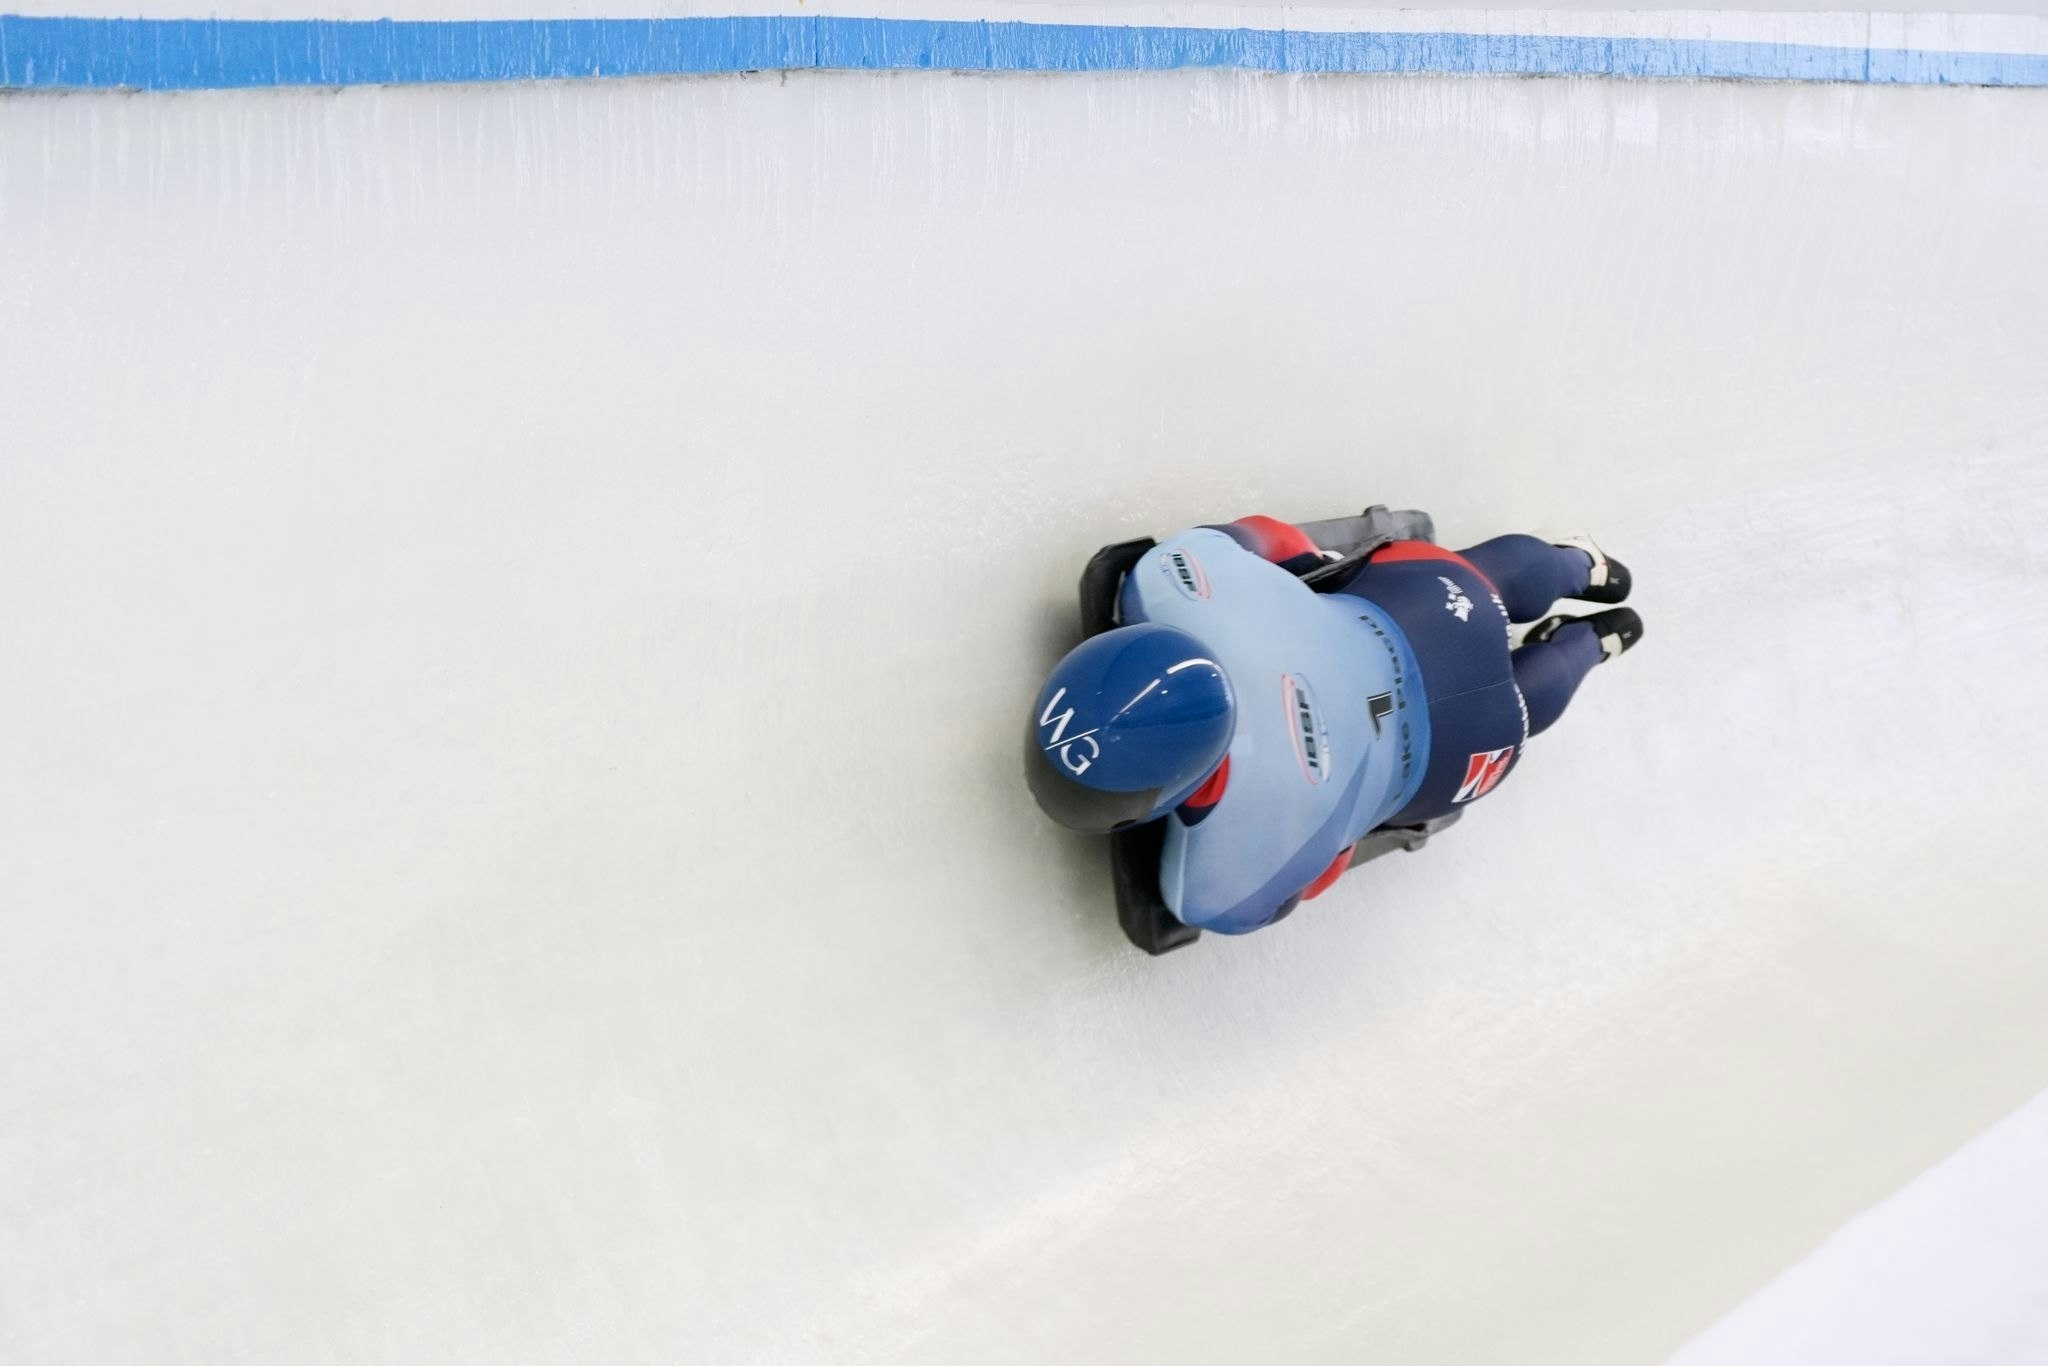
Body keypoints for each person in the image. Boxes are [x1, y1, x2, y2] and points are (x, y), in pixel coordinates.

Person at [1025, 513, 1642, 934]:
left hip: (1460, 751)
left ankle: (1593, 646)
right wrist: (1314, 571)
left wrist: (1340, 823)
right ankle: (1577, 570)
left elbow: (1305, 884)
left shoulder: (1215, 883)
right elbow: (1274, 539)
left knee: (1519, 709)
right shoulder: (1171, 579)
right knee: (1478, 577)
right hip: (1429, 603)